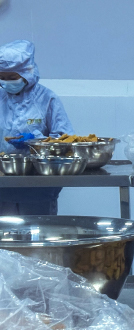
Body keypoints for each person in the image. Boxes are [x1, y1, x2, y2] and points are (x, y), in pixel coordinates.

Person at [0, 40, 74, 215]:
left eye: (13, 77)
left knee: (38, 229)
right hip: (3, 183)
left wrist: (36, 141)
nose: (7, 82)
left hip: (38, 183)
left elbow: (65, 139)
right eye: (2, 77)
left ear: (27, 72)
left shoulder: (47, 98)